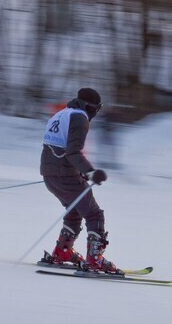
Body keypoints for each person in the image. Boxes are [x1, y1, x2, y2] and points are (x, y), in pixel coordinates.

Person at [39, 87, 120, 274]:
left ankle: (63, 252)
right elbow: (73, 152)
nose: (96, 114)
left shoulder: (61, 114)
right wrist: (90, 172)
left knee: (75, 210)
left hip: (49, 174)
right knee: (94, 214)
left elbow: (58, 148)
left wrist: (77, 172)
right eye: (97, 109)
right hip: (64, 174)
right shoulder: (79, 117)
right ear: (91, 107)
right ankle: (95, 260)